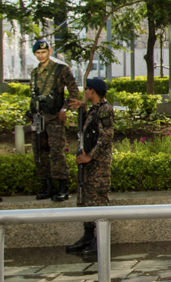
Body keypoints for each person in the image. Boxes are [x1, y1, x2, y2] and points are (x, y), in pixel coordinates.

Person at [66, 78, 115, 256]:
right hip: (89, 163)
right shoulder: (95, 110)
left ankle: (100, 238)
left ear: (93, 91)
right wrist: (82, 108)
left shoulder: (105, 110)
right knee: (85, 199)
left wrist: (89, 157)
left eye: (86, 89)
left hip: (98, 164)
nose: (85, 92)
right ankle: (88, 235)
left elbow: (106, 137)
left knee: (98, 199)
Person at [28, 39, 80, 202]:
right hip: (39, 118)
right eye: (37, 53)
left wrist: (64, 109)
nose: (41, 55)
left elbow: (74, 92)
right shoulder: (34, 72)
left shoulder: (61, 69)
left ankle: (63, 188)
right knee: (40, 152)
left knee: (57, 152)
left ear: (50, 52)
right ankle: (48, 187)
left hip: (54, 118)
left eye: (43, 52)